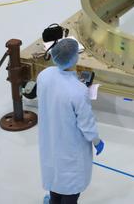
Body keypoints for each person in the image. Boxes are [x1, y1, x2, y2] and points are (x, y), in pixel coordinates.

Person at [37, 38, 104, 204]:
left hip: (50, 140)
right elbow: (86, 124)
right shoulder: (78, 91)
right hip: (70, 148)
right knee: (71, 189)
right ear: (75, 58)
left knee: (55, 179)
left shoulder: (44, 75)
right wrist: (96, 141)